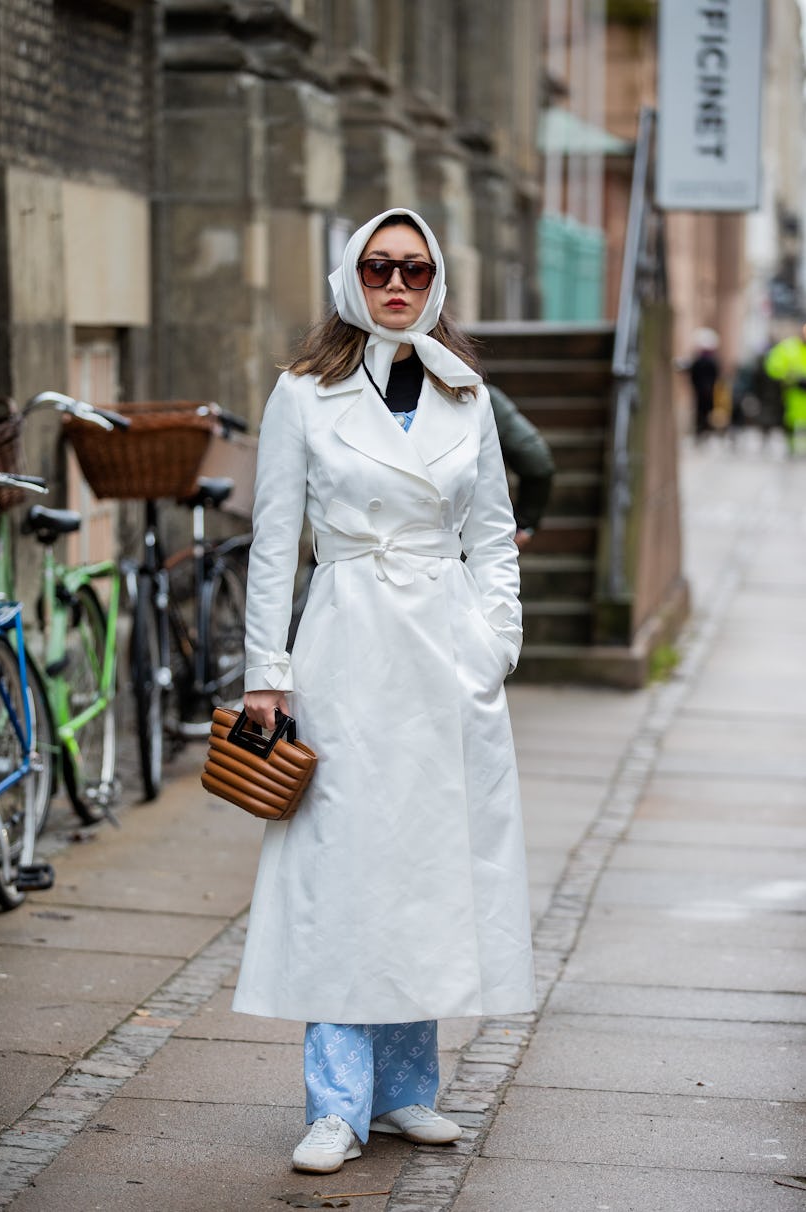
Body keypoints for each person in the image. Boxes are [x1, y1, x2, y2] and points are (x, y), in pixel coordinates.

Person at [235, 208, 536, 1175]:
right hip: (348, 647)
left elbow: (492, 532)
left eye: (412, 269)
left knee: (429, 866)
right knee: (343, 871)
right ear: (349, 280)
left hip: (445, 654)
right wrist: (267, 680)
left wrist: (494, 643)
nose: (395, 286)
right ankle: (335, 1104)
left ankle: (409, 1092)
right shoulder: (303, 394)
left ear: (436, 280)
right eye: (377, 269)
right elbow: (275, 546)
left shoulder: (466, 395)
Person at [487, 383, 555, 551]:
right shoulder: (476, 393)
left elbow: (536, 460)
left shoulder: (481, 395)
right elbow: (537, 460)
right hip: (479, 536)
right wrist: (524, 525)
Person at [763, 322, 806, 453]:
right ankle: (792, 447)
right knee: (791, 422)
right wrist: (789, 378)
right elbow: (773, 367)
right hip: (792, 394)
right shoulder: (788, 347)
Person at [684, 328, 721, 439]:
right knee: (703, 411)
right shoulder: (708, 361)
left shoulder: (704, 361)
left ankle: (702, 429)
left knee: (703, 411)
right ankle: (702, 429)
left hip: (704, 389)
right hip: (705, 389)